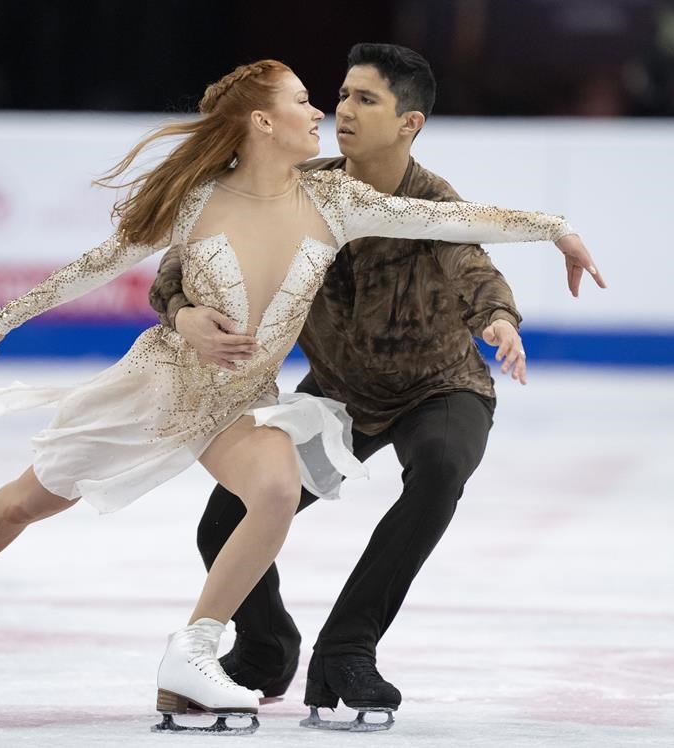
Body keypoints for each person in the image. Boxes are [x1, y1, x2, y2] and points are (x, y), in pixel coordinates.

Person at [0, 57, 600, 733]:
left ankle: (193, 653)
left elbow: (455, 224)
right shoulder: (194, 202)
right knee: (30, 501)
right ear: (261, 122)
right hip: (159, 388)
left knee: (277, 488)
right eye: (305, 102)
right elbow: (102, 264)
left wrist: (557, 230)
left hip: (237, 403)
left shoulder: (335, 199)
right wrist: (5, 317)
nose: (321, 113)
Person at [147, 43, 607, 728]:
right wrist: (185, 314)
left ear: (410, 122)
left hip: (439, 385)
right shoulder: (298, 190)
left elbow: (472, 262)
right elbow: (175, 273)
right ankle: (267, 648)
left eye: (366, 99)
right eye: (341, 95)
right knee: (223, 522)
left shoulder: (430, 200)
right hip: (339, 393)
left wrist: (500, 320)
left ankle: (348, 648)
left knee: (443, 465)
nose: (343, 111)